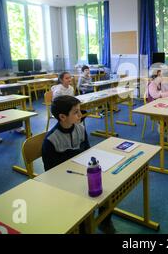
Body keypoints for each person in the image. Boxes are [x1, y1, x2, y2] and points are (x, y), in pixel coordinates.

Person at [42, 95, 115, 233]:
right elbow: (50, 174)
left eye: (79, 110)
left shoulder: (80, 128)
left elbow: (87, 152)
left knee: (108, 185)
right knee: (85, 202)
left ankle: (104, 221)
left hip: (82, 174)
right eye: (76, 112)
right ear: (62, 117)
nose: (81, 114)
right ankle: (83, 225)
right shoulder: (51, 140)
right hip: (64, 182)